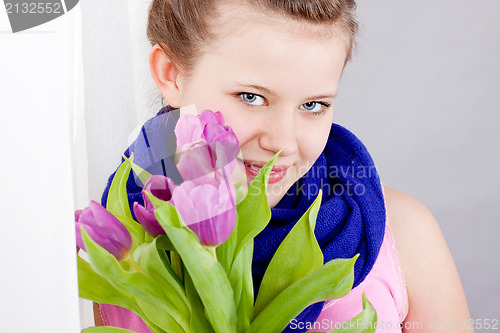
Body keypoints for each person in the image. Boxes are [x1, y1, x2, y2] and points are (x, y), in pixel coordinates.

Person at [92, 0, 473, 332]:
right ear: (171, 74)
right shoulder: (110, 245)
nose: (282, 142)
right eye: (251, 97)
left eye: (313, 105)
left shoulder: (404, 233)